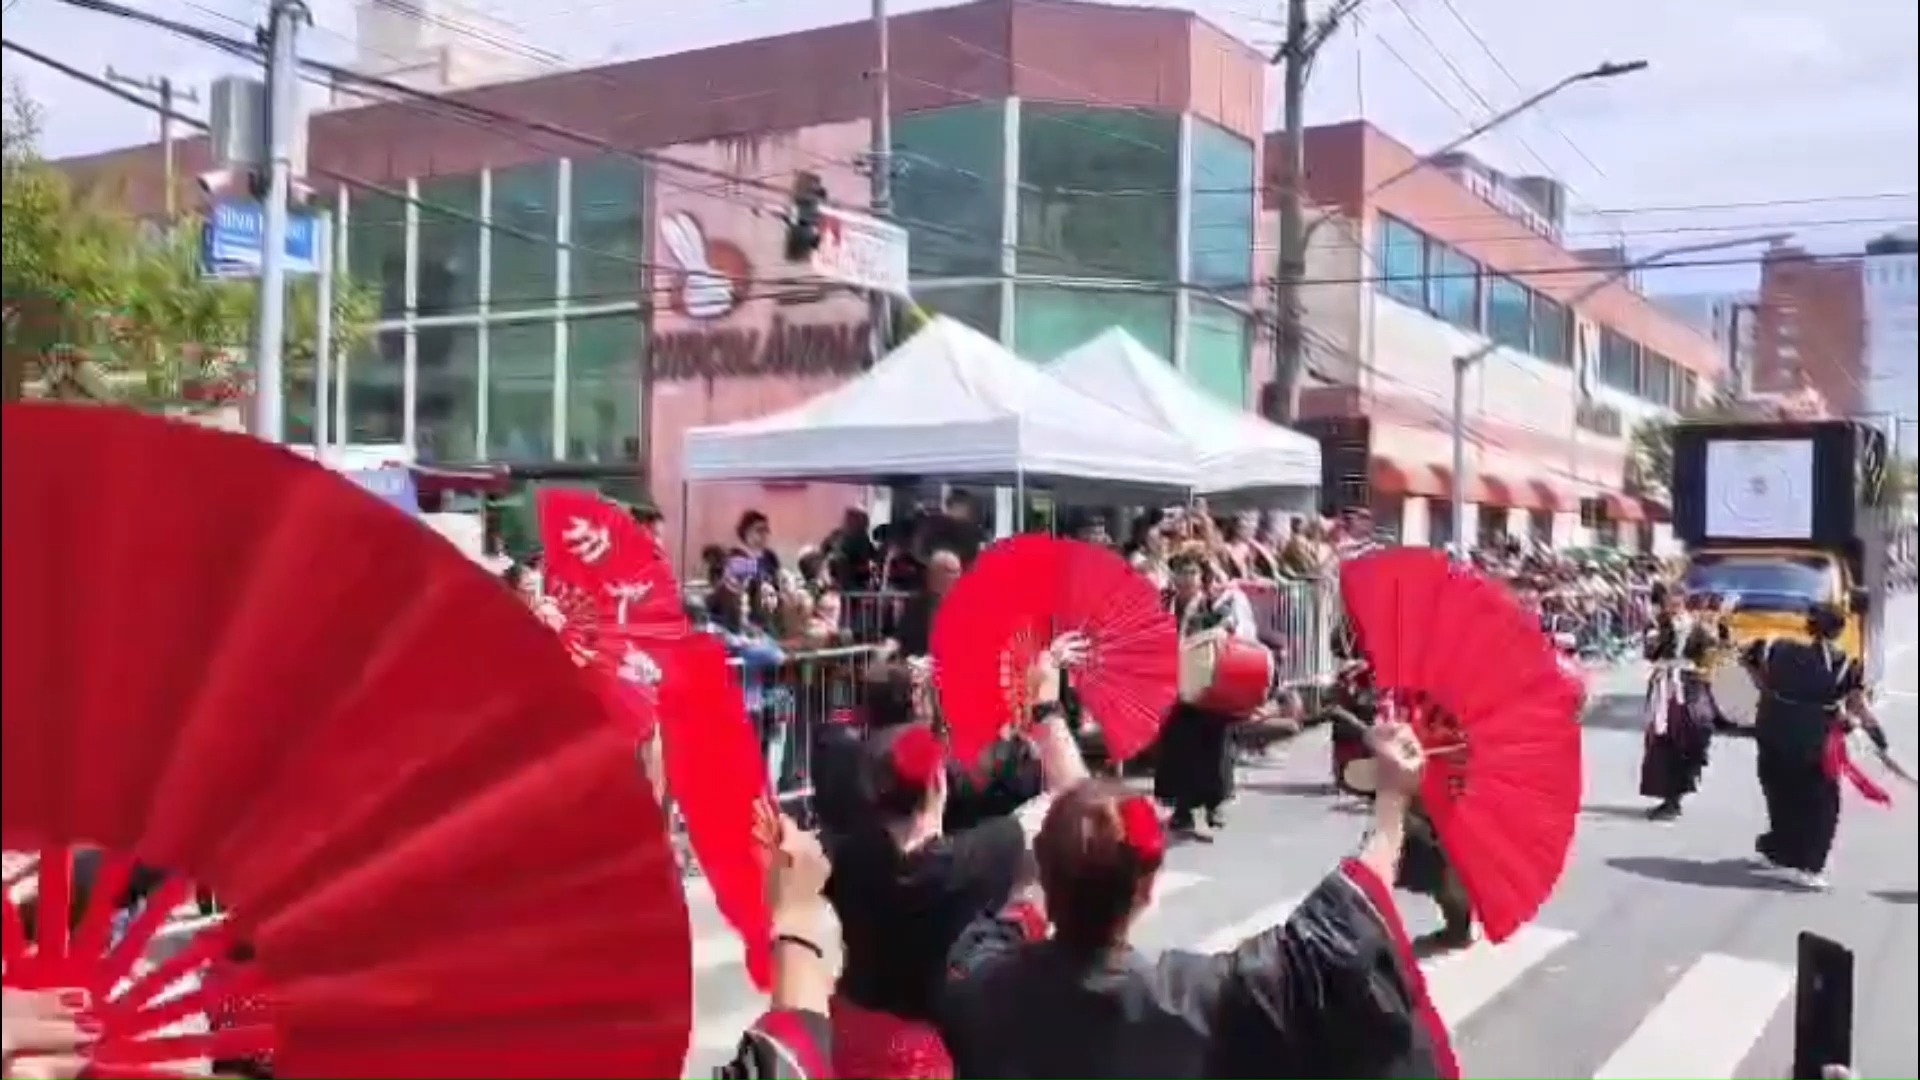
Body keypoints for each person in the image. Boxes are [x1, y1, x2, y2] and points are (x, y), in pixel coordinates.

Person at [939, 719, 1459, 1079]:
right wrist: (1392, 800)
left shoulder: (980, 984)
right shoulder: (1194, 1000)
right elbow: (1337, 940)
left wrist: (1037, 884)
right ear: (1147, 888)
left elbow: (1002, 925)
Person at [822, 644, 1090, 1078]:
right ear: (939, 785)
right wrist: (1046, 708)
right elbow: (1076, 802)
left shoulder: (848, 853)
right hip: (923, 1056)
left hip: (852, 1042)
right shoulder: (967, 862)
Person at [1742, 602, 1886, 891]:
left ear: (1810, 626)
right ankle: (1808, 864)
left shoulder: (1778, 649)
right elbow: (1857, 705)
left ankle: (1780, 851)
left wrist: (1767, 689)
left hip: (1773, 730)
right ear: (1839, 630)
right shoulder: (1842, 664)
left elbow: (1748, 662)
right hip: (1813, 740)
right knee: (1821, 804)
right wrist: (1877, 735)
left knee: (1781, 795)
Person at [1153, 554, 1241, 838]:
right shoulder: (1164, 603)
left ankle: (1214, 804)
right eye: (1182, 572)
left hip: (1208, 681)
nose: (1187, 578)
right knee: (1178, 746)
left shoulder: (1212, 602)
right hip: (1174, 684)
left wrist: (1215, 630)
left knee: (1213, 744)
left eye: (1192, 572)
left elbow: (1228, 623)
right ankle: (1182, 809)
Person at [1638, 588, 1726, 821]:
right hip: (1665, 686)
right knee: (1662, 740)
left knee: (1686, 737)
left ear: (1684, 603)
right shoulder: (1659, 626)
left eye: (1676, 602)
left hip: (1687, 688)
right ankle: (1669, 797)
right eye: (1669, 603)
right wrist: (1655, 637)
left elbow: (1711, 652)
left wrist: (1705, 657)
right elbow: (1651, 653)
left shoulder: (1697, 627)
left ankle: (1675, 797)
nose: (1672, 607)